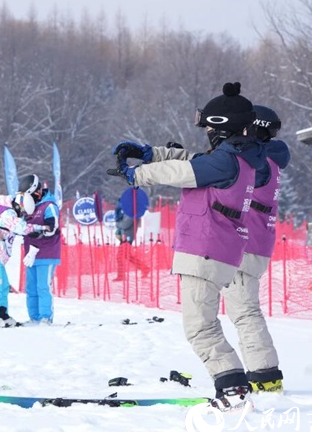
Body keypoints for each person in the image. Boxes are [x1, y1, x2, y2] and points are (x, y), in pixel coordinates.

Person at [108, 82, 265, 411]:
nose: (206, 129)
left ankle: (234, 390)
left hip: (206, 250)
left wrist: (137, 174)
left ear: (223, 126)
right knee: (203, 325)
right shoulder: (238, 156)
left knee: (200, 327)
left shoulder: (227, 161)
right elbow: (190, 159)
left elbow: (184, 170)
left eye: (208, 124)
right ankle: (233, 387)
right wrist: (150, 153)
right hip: (213, 249)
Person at [224, 105, 289, 394]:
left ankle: (264, 374)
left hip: (246, 244)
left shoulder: (260, 163)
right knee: (244, 310)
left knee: (245, 311)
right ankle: (262, 373)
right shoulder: (270, 159)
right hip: (256, 242)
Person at [0, 193, 46, 327]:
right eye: (23, 211)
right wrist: (40, 228)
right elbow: (21, 227)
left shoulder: (1, 209)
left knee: (3, 287)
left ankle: (2, 314)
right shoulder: (7, 212)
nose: (22, 215)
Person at [19, 175, 61, 325]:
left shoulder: (48, 205)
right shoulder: (29, 208)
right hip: (31, 254)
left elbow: (53, 227)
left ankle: (45, 317)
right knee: (31, 288)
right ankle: (34, 317)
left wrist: (42, 231)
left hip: (46, 253)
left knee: (43, 286)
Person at [113, 200, 148, 280]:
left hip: (127, 237)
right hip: (125, 236)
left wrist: (118, 222)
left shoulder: (131, 213)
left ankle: (121, 276)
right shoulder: (128, 212)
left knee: (120, 256)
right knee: (128, 256)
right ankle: (145, 268)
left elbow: (125, 225)